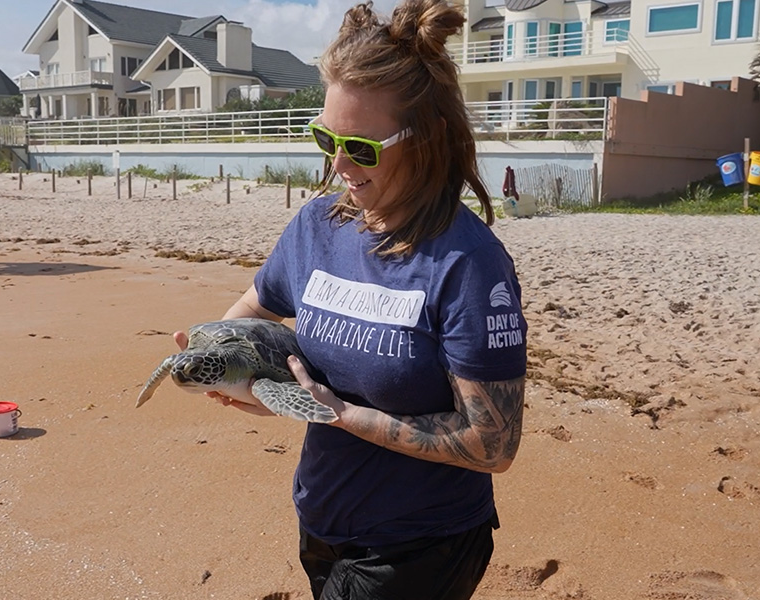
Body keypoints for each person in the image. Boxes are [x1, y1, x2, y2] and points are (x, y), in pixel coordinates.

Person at [174, 0, 527, 597]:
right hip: (322, 519)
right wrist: (228, 358)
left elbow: (492, 443)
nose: (337, 163)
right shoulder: (317, 226)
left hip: (421, 544)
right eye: (326, 137)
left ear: (426, 139)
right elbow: (256, 307)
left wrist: (338, 414)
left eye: (361, 147)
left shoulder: (467, 264)